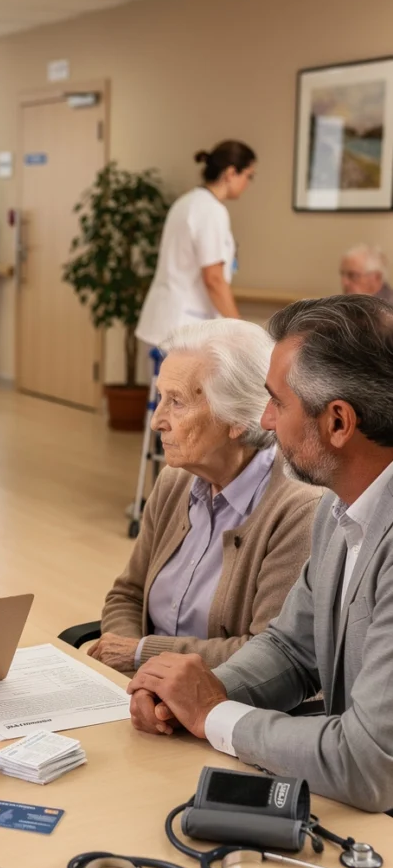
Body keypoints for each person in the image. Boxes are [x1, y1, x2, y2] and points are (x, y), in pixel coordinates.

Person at [129, 295, 393, 813]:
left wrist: (213, 714)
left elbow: (367, 763)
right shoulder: (340, 510)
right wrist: (186, 696)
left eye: (277, 402)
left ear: (338, 422)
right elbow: (293, 650)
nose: (265, 421)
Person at [89, 319, 320, 675]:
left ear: (238, 419)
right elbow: (127, 595)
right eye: (160, 398)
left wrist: (141, 654)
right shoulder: (174, 482)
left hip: (225, 707)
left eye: (176, 402)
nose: (157, 421)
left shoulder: (297, 510)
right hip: (145, 694)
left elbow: (269, 656)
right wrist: (128, 665)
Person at [136, 141, 256, 349]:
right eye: (248, 175)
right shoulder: (211, 210)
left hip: (167, 323)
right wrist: (242, 331)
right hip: (183, 326)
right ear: (230, 173)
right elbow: (214, 279)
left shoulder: (187, 202)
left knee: (162, 382)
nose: (248, 183)